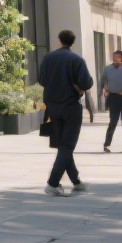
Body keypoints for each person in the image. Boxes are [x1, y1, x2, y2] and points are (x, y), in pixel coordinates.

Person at [39, 30, 93, 197]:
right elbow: (87, 82)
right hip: (71, 106)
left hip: (53, 107)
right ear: (72, 42)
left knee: (63, 146)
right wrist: (77, 87)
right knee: (67, 146)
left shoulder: (48, 58)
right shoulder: (76, 60)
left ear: (59, 40)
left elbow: (41, 80)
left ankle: (76, 182)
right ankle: (52, 183)